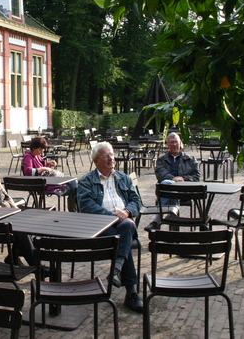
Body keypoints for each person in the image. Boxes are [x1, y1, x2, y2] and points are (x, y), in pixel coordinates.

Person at [77, 141, 144, 313]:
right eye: (105, 156)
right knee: (126, 232)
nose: (111, 158)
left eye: (112, 154)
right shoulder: (86, 181)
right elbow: (86, 207)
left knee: (126, 228)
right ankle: (131, 292)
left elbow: (137, 202)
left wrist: (127, 212)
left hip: (123, 224)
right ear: (95, 161)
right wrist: (114, 217)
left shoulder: (124, 178)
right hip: (100, 228)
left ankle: (117, 269)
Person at [146, 132, 200, 231]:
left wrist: (183, 179)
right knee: (168, 184)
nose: (174, 145)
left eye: (176, 142)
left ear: (181, 143)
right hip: (166, 190)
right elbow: (160, 174)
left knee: (167, 185)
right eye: (171, 142)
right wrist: (173, 179)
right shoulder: (161, 160)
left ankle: (156, 222)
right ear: (167, 145)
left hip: (184, 192)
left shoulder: (190, 159)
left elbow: (196, 177)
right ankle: (174, 217)